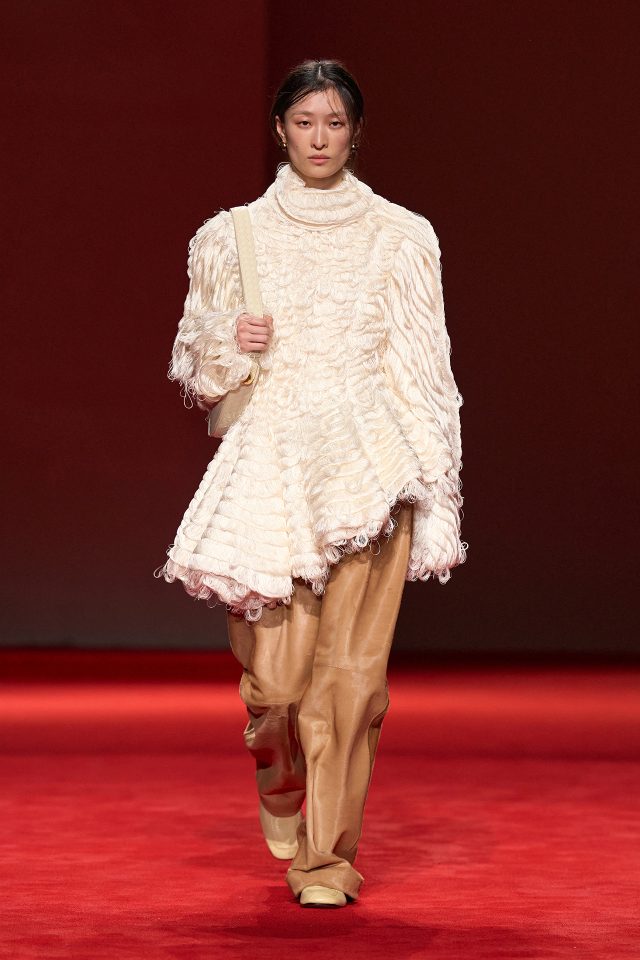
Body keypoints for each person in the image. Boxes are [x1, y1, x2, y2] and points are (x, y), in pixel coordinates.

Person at [159, 59, 466, 908]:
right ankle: (276, 757)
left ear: (356, 131)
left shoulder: (403, 235)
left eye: (334, 122)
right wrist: (231, 338)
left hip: (374, 472)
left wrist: (438, 499)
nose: (320, 138)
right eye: (305, 122)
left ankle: (327, 861)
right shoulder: (232, 237)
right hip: (275, 473)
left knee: (351, 683)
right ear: (281, 130)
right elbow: (199, 368)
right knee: (277, 683)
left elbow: (425, 372)